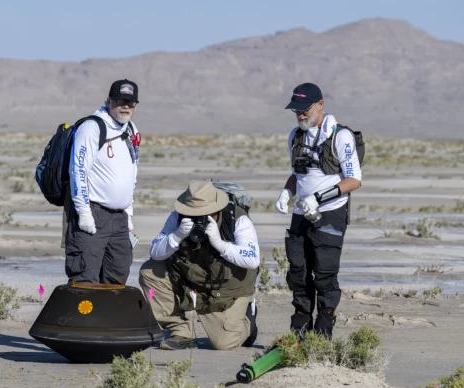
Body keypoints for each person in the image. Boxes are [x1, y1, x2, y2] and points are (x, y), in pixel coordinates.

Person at [275, 83, 362, 340]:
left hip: (330, 213)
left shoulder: (340, 136)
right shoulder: (295, 136)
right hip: (302, 214)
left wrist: (319, 197)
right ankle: (299, 329)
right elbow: (297, 175)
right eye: (296, 110)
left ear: (320, 105)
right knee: (298, 272)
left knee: (324, 274)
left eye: (305, 109)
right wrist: (286, 192)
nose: (300, 114)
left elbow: (354, 180)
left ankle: (323, 332)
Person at [139, 181, 260, 350]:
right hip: (192, 281)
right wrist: (177, 235)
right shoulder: (178, 217)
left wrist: (220, 244)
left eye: (205, 213)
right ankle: (180, 331)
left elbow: (253, 259)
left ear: (217, 208)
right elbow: (155, 252)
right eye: (193, 213)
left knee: (223, 344)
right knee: (150, 270)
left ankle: (248, 320)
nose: (199, 219)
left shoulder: (237, 219)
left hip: (227, 289)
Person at [65, 79, 140, 285]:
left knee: (118, 276)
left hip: (120, 219)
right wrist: (84, 213)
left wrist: (129, 214)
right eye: (120, 101)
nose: (125, 106)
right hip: (94, 213)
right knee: (85, 278)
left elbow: (132, 172)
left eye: (131, 103)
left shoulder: (131, 129)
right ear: (109, 100)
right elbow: (78, 170)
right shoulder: (92, 127)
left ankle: (109, 318)